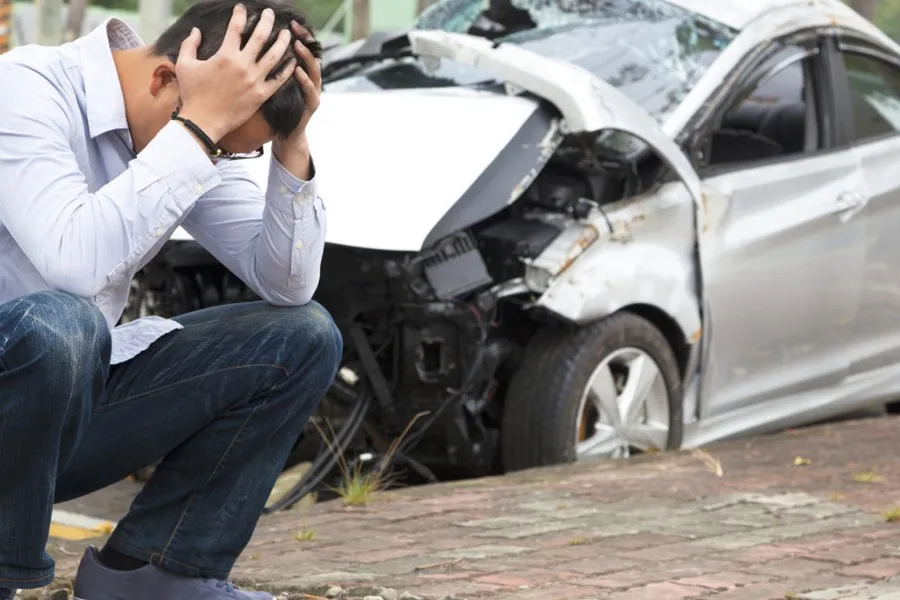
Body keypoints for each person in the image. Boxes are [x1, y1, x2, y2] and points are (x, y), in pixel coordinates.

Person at [0, 1, 342, 598]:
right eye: (219, 146)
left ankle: (156, 573)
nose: (216, 159)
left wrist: (292, 143)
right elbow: (72, 262)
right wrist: (198, 132)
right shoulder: (25, 89)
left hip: (62, 415)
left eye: (230, 151)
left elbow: (288, 283)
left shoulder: (198, 125)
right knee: (60, 324)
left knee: (304, 335)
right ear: (165, 79)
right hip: (19, 384)